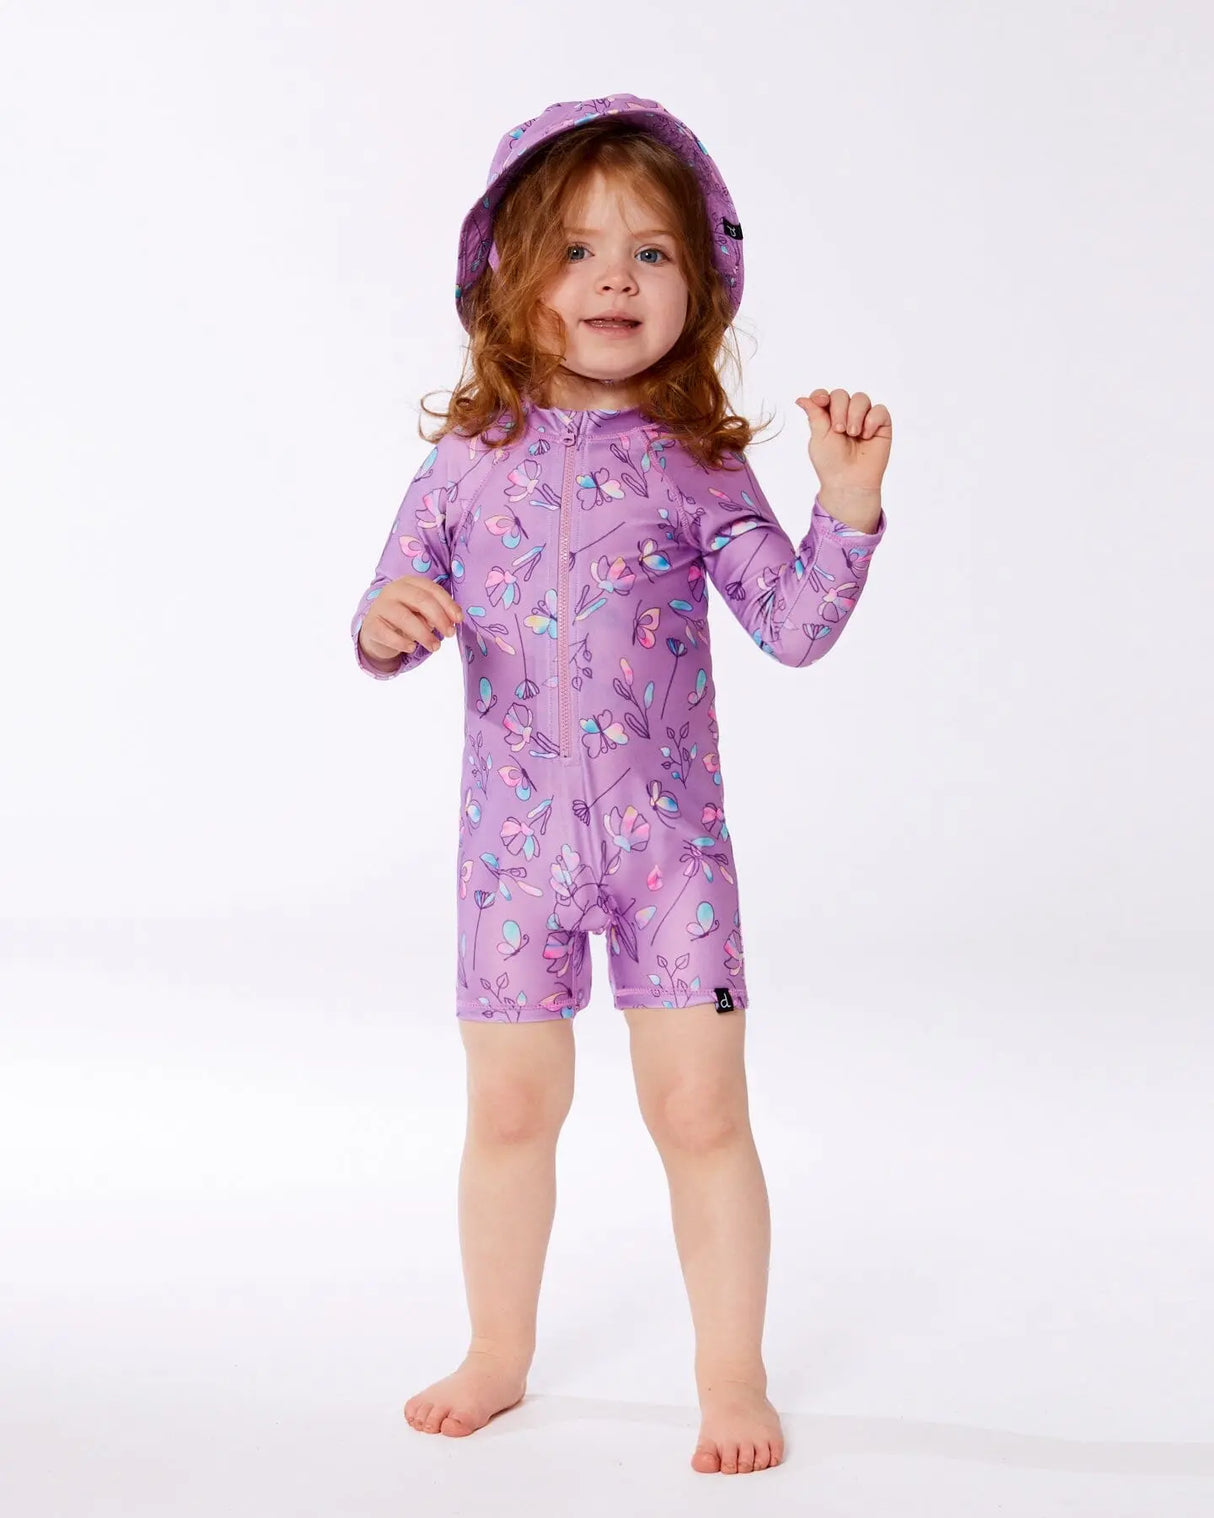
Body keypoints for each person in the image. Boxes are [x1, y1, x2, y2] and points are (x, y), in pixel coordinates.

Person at [350, 93, 892, 1476]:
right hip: (510, 858)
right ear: (504, 279)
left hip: (672, 857)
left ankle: (730, 1373)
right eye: (575, 249)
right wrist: (388, 622)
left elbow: (791, 627)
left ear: (699, 285)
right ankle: (497, 1351)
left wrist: (842, 507)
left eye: (651, 252)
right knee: (510, 1112)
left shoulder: (699, 465)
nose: (613, 278)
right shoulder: (462, 465)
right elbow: (386, 605)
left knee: (701, 1114)